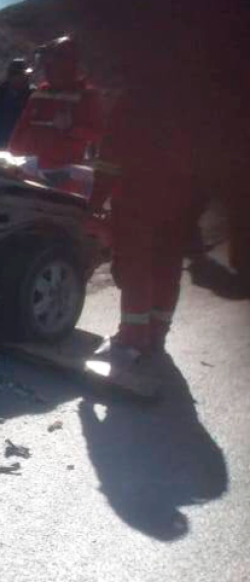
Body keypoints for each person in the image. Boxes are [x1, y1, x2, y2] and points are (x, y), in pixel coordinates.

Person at [89, 91, 200, 373]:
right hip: (179, 205)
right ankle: (156, 334)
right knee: (167, 267)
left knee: (136, 270)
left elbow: (109, 159)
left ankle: (133, 339)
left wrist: (94, 202)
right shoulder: (192, 103)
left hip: (138, 203)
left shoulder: (132, 103)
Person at [7, 36, 107, 173]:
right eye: (45, 65)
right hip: (33, 168)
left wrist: (72, 128)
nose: (46, 70)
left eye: (50, 65)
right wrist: (12, 155)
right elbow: (21, 130)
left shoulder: (87, 96)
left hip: (69, 172)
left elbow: (99, 134)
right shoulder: (40, 93)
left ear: (66, 65)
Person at [0, 58, 34, 149]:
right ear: (11, 76)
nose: (24, 78)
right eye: (21, 75)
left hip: (22, 146)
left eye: (26, 75)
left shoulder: (33, 95)